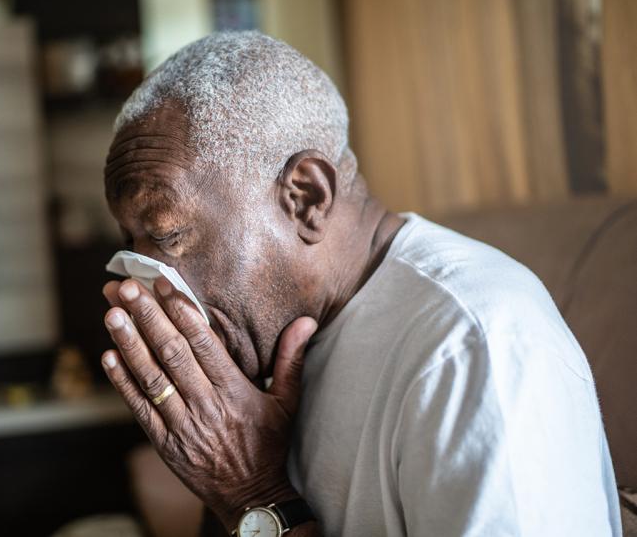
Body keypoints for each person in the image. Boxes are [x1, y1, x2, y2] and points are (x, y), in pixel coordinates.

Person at [99, 31, 621, 536]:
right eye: (132, 246)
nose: (141, 286)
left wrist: (251, 493)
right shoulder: (277, 335)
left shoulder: (474, 345)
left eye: (168, 235)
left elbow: (250, 502)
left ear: (306, 198)